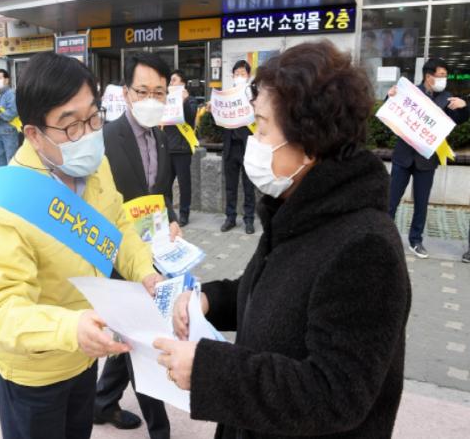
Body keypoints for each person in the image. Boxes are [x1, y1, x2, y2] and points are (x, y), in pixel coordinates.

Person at [153, 40, 411, 439]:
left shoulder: (365, 249)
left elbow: (335, 393)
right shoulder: (298, 208)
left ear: (309, 141)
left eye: (262, 126)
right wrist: (210, 301)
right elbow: (275, 295)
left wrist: (209, 370)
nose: (254, 139)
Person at [0, 52, 163, 439]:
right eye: (70, 125)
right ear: (33, 134)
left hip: (84, 354)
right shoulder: (6, 205)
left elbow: (118, 225)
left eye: (93, 117)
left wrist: (145, 271)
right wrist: (71, 328)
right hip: (36, 371)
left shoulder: (95, 165)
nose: (88, 134)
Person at [93, 52, 179, 439]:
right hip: (116, 257)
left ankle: (101, 403)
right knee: (142, 343)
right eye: (142, 91)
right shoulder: (105, 138)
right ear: (126, 92)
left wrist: (171, 220)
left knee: (129, 336)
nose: (150, 99)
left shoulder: (160, 136)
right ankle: (160, 431)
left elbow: (159, 193)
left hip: (150, 255)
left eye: (158, 92)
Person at [388, 58, 469, 258]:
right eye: (441, 75)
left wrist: (465, 106)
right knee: (391, 200)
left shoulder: (447, 98)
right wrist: (390, 96)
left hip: (427, 160)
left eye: (445, 76)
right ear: (428, 76)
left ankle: (416, 240)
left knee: (421, 203)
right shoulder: (409, 93)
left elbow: (458, 119)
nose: (444, 79)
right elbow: (392, 111)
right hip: (403, 157)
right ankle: (385, 237)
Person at [220, 60, 256, 234]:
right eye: (236, 73)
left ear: (248, 76)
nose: (239, 76)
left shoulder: (253, 94)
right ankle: (230, 218)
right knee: (230, 187)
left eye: (242, 73)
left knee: (249, 186)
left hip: (247, 146)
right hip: (230, 146)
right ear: (232, 76)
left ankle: (249, 219)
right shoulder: (226, 95)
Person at [166, 69, 199, 226]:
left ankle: (184, 214)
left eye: (174, 80)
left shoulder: (191, 100)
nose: (170, 83)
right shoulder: (166, 99)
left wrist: (184, 101)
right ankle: (169, 214)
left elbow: (190, 118)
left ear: (182, 83)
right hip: (167, 148)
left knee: (184, 184)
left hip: (182, 148)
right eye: (170, 81)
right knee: (166, 184)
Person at [0, 68, 20, 166]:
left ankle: (13, 176)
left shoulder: (11, 94)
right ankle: (3, 175)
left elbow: (13, 112)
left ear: (7, 80)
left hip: (9, 131)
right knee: (1, 159)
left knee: (11, 159)